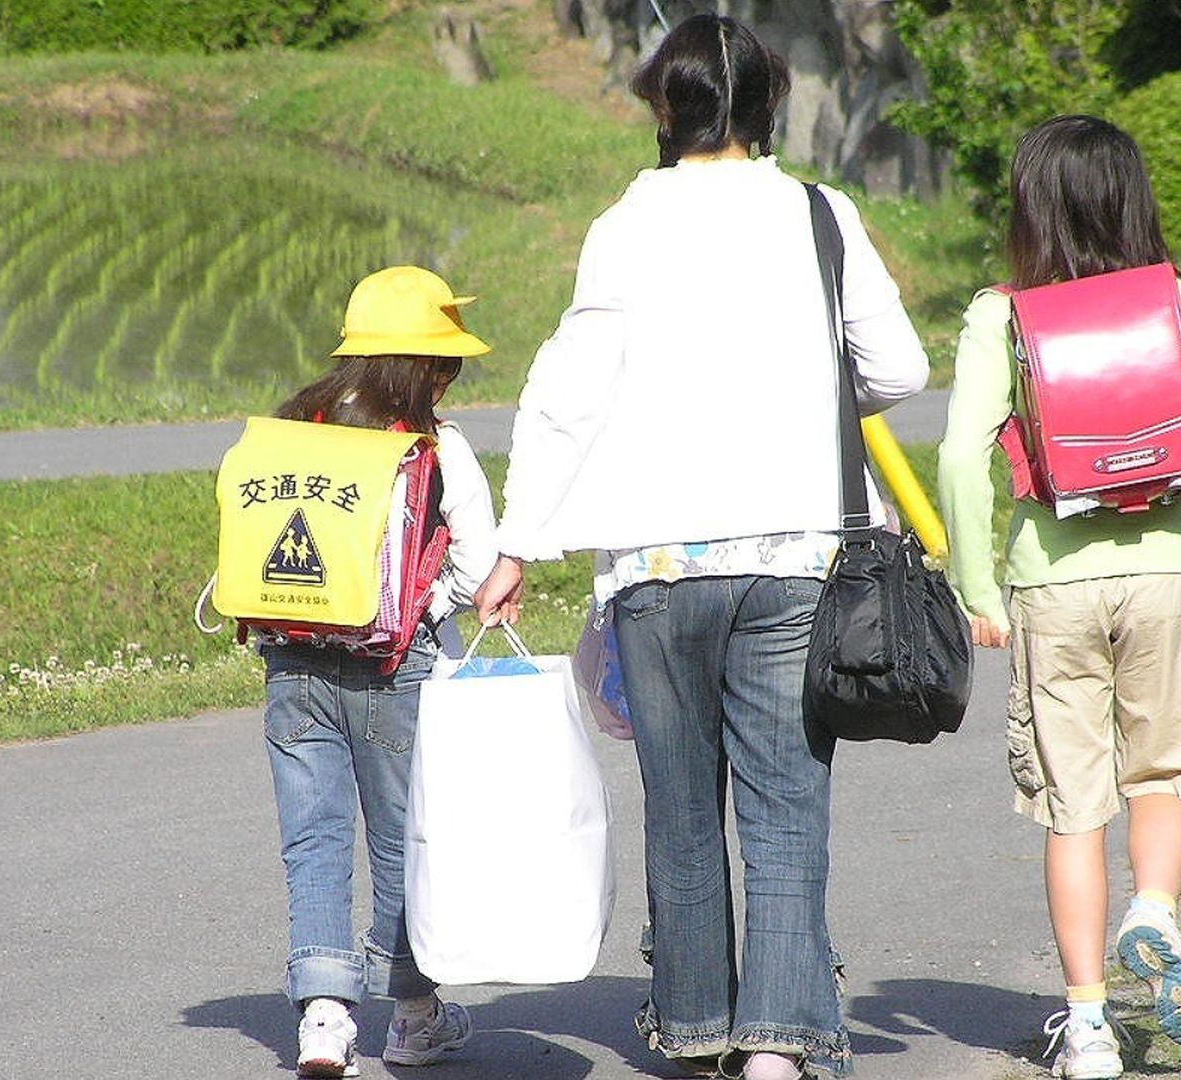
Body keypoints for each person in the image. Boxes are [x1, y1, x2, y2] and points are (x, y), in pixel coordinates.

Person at [470, 14, 928, 1079]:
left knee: (681, 810)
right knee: (783, 805)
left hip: (657, 567)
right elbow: (897, 369)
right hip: (795, 555)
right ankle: (778, 1045)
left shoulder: (625, 224)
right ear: (768, 106)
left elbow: (567, 395)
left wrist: (519, 543)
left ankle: (699, 1029)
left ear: (664, 108)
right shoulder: (821, 214)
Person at [937, 115, 1181, 1080]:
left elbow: (957, 456)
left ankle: (1090, 1027)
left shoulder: (1000, 314)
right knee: (1167, 774)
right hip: (1171, 571)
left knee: (1073, 806)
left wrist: (976, 585)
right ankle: (1156, 913)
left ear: (1030, 207)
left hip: (1052, 584)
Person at [259, 266, 496, 1077]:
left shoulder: (296, 427)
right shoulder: (438, 446)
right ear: (425, 366)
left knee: (313, 838)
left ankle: (323, 1021)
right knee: (403, 840)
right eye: (446, 363)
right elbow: (477, 563)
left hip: (291, 660)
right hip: (393, 668)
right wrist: (425, 608)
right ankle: (414, 1015)